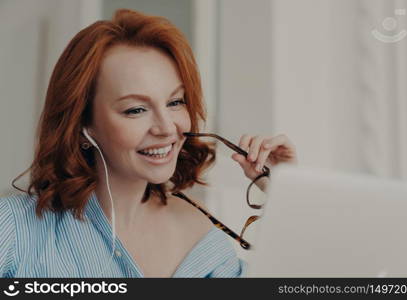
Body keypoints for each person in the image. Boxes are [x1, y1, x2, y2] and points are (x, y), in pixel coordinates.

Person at [0, 9, 297, 278]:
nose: (167, 128)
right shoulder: (14, 229)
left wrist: (287, 190)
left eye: (175, 101)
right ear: (82, 124)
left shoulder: (205, 242)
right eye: (136, 109)